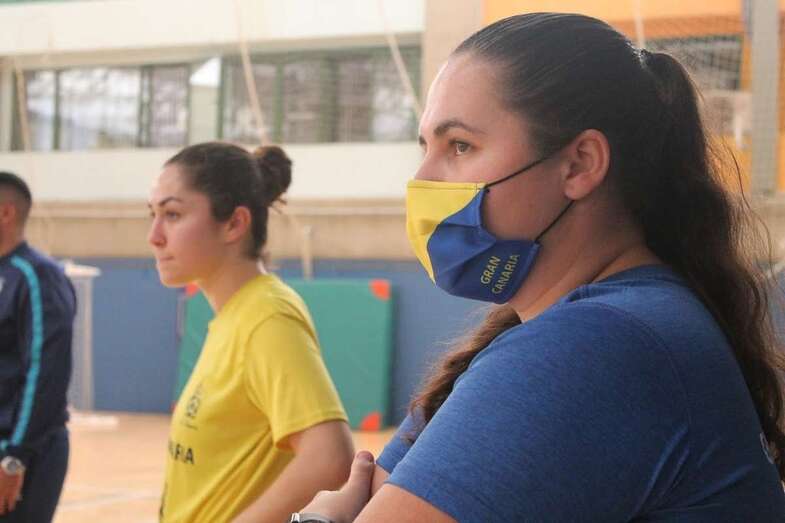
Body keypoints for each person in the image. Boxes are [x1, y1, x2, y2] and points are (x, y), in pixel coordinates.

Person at [293, 12, 785, 523]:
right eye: (426, 147)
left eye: (460, 145)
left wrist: (314, 520)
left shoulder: (596, 345)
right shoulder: (590, 324)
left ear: (579, 164)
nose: (424, 179)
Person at [148, 142, 354, 523]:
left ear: (234, 224)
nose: (154, 236)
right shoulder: (234, 315)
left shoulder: (267, 315)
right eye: (153, 214)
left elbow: (329, 457)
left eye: (173, 214)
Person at [0, 171, 75, 522]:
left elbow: (46, 373)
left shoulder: (36, 275)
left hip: (22, 453)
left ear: (6, 213)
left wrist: (16, 455)